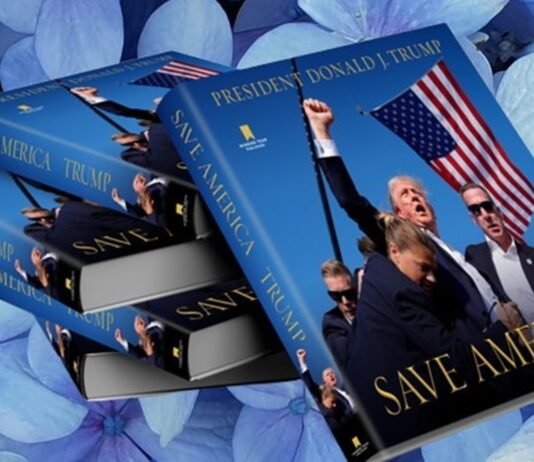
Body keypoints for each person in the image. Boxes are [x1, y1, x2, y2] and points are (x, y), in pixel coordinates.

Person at [302, 98, 524, 343]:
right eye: (405, 195)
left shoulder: (457, 253)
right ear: (397, 214)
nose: (414, 197)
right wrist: (322, 131)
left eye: (417, 192)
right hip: (483, 348)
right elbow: (351, 202)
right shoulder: (402, 242)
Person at [346, 213, 525, 446]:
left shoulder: (375, 272)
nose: (432, 278)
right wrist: (504, 328)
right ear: (395, 251)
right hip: (415, 428)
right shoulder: (404, 294)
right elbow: (455, 359)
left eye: (433, 270)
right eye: (423, 268)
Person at [461, 183, 534, 324]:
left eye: (487, 206)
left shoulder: (531, 255)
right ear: (474, 220)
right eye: (476, 210)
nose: (486, 215)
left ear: (499, 212)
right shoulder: (474, 257)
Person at [296, 348, 355, 418]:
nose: (331, 375)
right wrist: (302, 361)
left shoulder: (345, 389)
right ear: (324, 381)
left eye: (332, 373)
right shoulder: (324, 392)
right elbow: (310, 385)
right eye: (328, 374)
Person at [320, 259, 357, 366]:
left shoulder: (373, 306)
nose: (345, 301)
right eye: (336, 296)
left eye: (348, 293)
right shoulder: (331, 323)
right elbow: (349, 358)